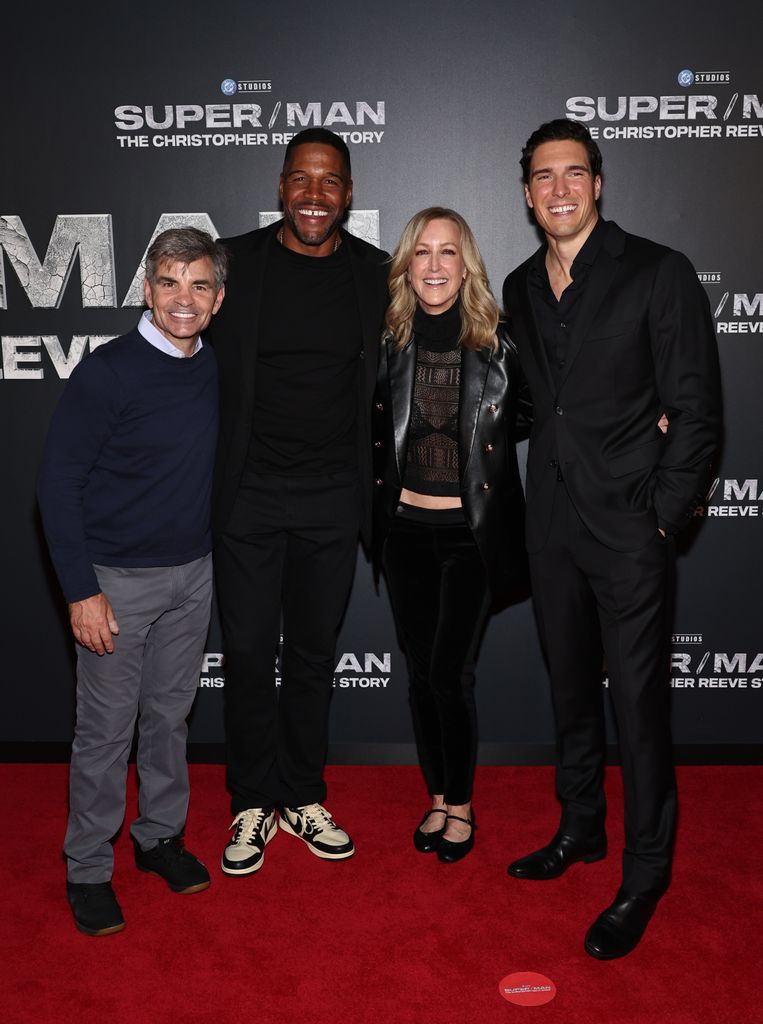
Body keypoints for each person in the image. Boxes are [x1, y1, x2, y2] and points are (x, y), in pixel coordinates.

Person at [502, 120, 722, 958]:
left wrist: (661, 515)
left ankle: (643, 873)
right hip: (549, 525)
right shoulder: (522, 285)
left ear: (597, 183)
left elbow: (696, 407)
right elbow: (529, 406)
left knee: (636, 707)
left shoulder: (657, 272)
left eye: (573, 173)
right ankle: (580, 831)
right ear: (526, 194)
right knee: (569, 695)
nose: (558, 189)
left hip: (629, 526)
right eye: (542, 177)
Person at [37, 228, 227, 936]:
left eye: (199, 285)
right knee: (105, 733)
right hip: (115, 582)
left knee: (169, 719)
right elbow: (56, 485)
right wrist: (80, 589)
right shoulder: (108, 371)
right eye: (170, 283)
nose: (184, 299)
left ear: (218, 299)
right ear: (147, 290)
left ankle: (159, 838)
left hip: (193, 574)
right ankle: (88, 867)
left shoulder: (214, 366)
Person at [210, 128, 389, 875]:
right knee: (249, 656)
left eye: (329, 182)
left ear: (348, 194)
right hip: (247, 497)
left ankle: (304, 794)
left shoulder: (377, 275)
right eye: (300, 180)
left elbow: (444, 349)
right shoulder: (233, 265)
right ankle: (253, 801)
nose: (314, 196)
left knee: (313, 658)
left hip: (332, 500)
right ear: (280, 186)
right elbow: (174, 348)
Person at [373, 207, 531, 863]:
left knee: (447, 673)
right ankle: (436, 795)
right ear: (406, 264)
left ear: (465, 264)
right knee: (417, 674)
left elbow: (541, 412)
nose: (434, 265)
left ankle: (460, 804)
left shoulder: (498, 344)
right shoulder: (387, 342)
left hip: (470, 538)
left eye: (447, 252)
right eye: (422, 252)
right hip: (404, 532)